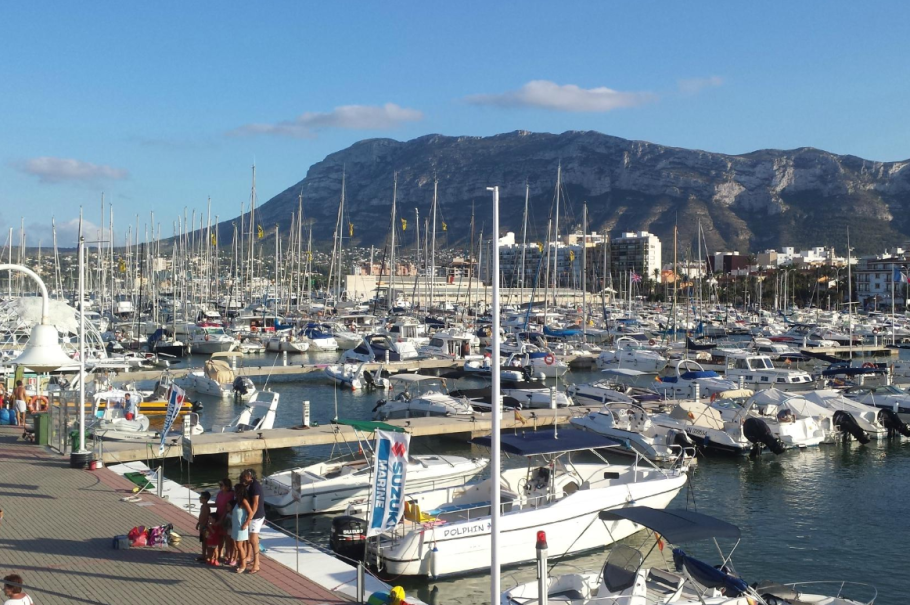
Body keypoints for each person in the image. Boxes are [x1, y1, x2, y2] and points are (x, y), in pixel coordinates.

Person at [240, 468, 265, 574]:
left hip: (256, 516)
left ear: (250, 476)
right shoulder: (249, 484)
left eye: (244, 476)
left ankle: (257, 563)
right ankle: (249, 557)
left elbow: (255, 504)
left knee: (254, 540)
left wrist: (249, 518)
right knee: (249, 539)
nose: (242, 477)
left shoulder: (255, 487)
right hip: (252, 515)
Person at [230, 484, 252, 573]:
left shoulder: (243, 501)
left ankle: (243, 565)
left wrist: (246, 523)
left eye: (235, 490)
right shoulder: (237, 501)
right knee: (237, 546)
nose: (234, 492)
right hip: (236, 526)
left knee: (239, 546)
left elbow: (250, 512)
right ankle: (241, 562)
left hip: (241, 527)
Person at [214, 478, 234, 564]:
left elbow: (228, 508)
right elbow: (217, 504)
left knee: (227, 538)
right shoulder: (219, 493)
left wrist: (222, 519)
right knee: (220, 537)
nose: (220, 487)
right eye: (219, 485)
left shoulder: (231, 494)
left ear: (227, 486)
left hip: (227, 518)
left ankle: (227, 554)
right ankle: (219, 553)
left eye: (222, 485)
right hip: (218, 515)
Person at [196, 491, 213, 563]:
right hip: (202, 526)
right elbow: (201, 517)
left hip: (205, 527)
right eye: (200, 497)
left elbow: (207, 518)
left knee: (206, 542)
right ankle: (203, 555)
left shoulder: (206, 507)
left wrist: (205, 526)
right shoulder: (202, 506)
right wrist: (198, 523)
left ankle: (207, 556)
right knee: (203, 541)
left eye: (201, 498)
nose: (200, 499)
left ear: (206, 499)